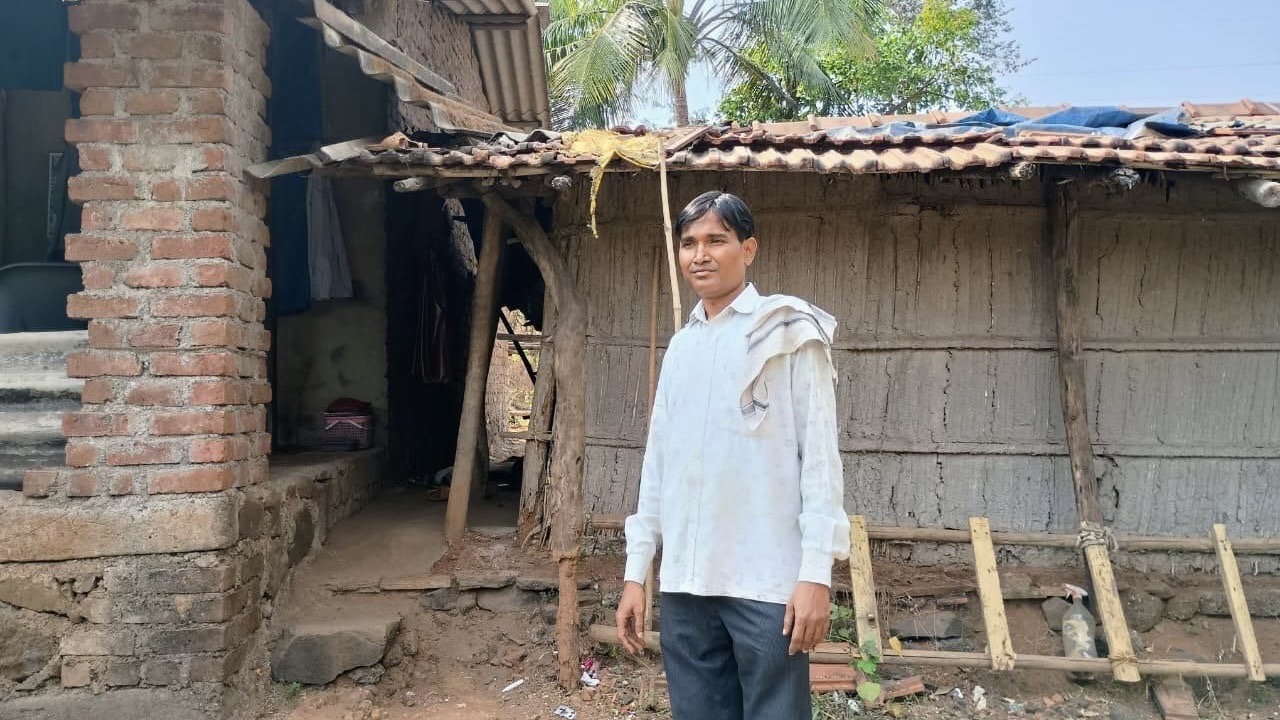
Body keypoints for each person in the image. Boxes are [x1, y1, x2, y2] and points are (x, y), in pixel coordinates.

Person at [615, 191, 851, 720]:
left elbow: (819, 459)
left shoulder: (788, 331)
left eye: (715, 240)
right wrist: (637, 572)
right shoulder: (682, 348)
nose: (700, 255)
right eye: (689, 243)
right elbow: (659, 463)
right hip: (685, 584)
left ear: (748, 250)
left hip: (765, 582)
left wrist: (815, 574)